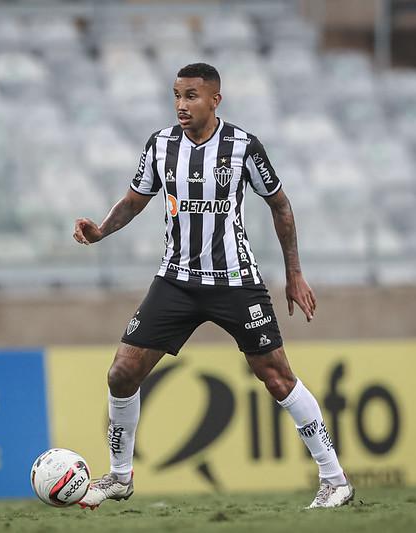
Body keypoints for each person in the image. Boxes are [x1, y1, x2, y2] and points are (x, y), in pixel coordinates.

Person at [73, 63, 354, 509]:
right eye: (176, 96)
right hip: (175, 280)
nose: (181, 105)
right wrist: (101, 231)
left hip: (235, 282)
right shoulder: (161, 145)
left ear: (214, 100)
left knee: (276, 377)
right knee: (122, 372)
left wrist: (294, 273)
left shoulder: (243, 146)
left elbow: (280, 206)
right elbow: (132, 201)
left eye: (191, 96)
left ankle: (334, 478)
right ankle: (120, 476)